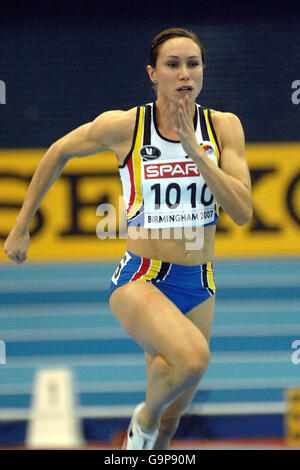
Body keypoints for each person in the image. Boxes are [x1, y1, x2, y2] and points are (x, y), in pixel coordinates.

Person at [4, 28, 252, 450]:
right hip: (142, 277)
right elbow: (59, 150)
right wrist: (21, 224)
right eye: (172, 65)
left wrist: (196, 153)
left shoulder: (224, 127)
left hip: (199, 280)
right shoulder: (126, 126)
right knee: (193, 360)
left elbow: (243, 212)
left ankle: (150, 430)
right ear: (152, 73)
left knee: (173, 421)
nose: (185, 74)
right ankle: (143, 418)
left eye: (193, 64)